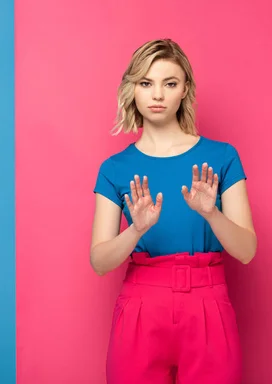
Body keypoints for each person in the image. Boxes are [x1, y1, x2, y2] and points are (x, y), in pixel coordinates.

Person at [91, 39, 256, 384]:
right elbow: (100, 261)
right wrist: (135, 230)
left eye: (170, 83)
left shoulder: (222, 157)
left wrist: (212, 213)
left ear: (185, 90)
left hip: (208, 304)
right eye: (146, 83)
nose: (158, 95)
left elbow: (246, 251)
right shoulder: (115, 168)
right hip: (140, 307)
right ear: (132, 89)